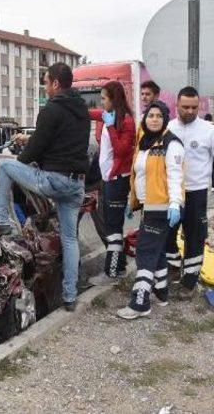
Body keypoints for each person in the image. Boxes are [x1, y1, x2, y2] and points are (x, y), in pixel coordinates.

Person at [0, 62, 90, 312]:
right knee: (70, 240)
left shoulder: (50, 110)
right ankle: (69, 296)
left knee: (4, 167)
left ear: (56, 83)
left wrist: (22, 153)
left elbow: (33, 154)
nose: (45, 88)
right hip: (76, 183)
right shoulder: (81, 110)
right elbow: (57, 137)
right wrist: (29, 138)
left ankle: (1, 221)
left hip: (53, 181)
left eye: (46, 82)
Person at [116, 100, 184, 319]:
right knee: (157, 251)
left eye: (159, 116)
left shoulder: (171, 144)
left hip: (162, 206)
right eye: (151, 115)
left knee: (145, 251)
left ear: (165, 120)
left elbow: (176, 177)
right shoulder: (144, 143)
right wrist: (131, 201)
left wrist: (175, 204)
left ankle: (140, 301)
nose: (154, 119)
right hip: (148, 206)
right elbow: (140, 176)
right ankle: (161, 293)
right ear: (145, 119)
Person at [165, 87, 214, 299]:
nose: (190, 111)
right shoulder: (167, 129)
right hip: (172, 193)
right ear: (176, 105)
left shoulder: (209, 130)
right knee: (166, 235)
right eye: (185, 107)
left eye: (194, 107)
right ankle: (174, 266)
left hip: (196, 193)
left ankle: (189, 282)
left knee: (195, 238)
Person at [88, 81, 136, 285]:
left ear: (113, 99)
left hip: (117, 180)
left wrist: (109, 125)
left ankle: (112, 272)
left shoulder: (126, 121)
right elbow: (94, 113)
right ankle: (118, 267)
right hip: (108, 179)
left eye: (104, 98)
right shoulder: (111, 116)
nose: (102, 102)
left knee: (114, 228)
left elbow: (121, 150)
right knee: (111, 226)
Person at [204, 113, 214, 191]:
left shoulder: (201, 127)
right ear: (211, 119)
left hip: (204, 151)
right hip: (213, 150)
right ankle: (213, 186)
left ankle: (203, 185)